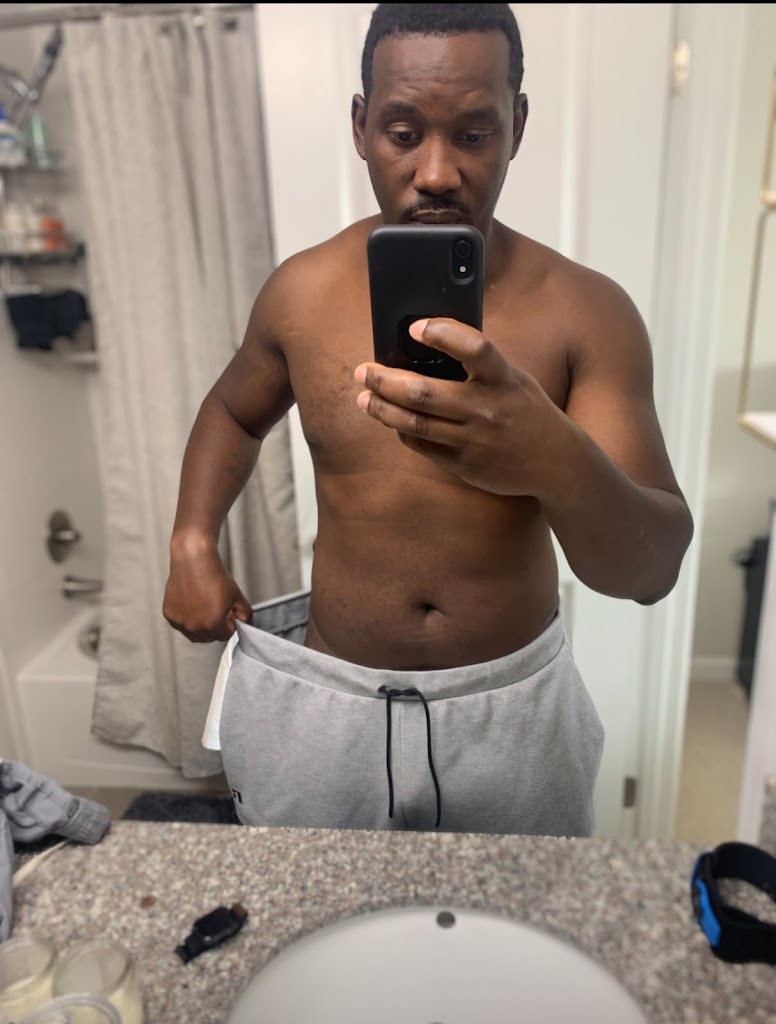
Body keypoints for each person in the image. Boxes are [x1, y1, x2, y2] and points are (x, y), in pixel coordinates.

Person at [163, 3, 693, 837]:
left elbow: (649, 571)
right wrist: (193, 541)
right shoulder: (301, 292)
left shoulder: (587, 313)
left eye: (474, 134)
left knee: (515, 918)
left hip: (510, 714)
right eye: (404, 134)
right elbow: (233, 409)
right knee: (322, 916)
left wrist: (551, 455)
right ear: (361, 126)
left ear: (517, 125)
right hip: (331, 705)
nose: (438, 172)